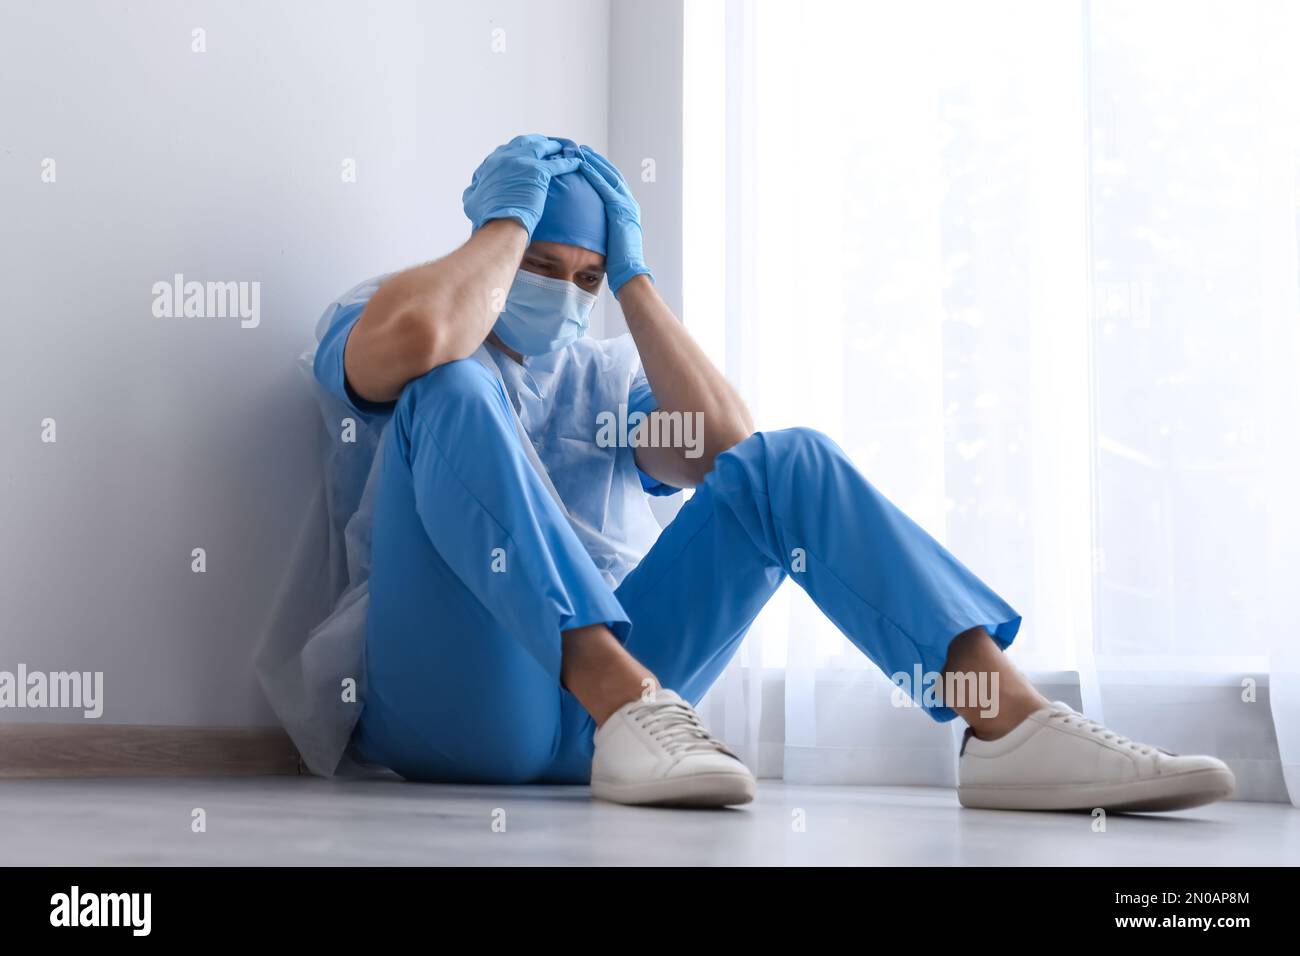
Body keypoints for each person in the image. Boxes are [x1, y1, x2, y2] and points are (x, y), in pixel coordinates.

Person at [306, 134, 1235, 811]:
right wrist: (506, 220)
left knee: (788, 459)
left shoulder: (602, 373)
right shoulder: (393, 314)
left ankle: (1007, 723)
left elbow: (725, 448)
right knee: (449, 386)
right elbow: (427, 338)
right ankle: (620, 696)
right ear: (492, 251)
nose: (563, 291)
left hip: (620, 729)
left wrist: (634, 281)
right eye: (538, 266)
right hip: (462, 703)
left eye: (583, 276)